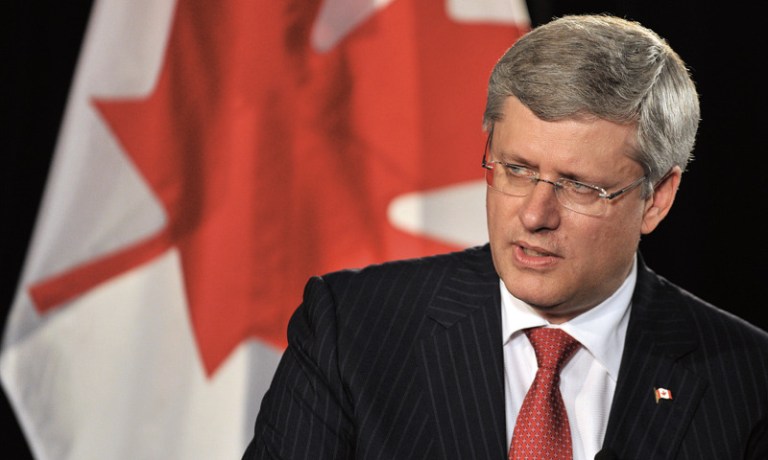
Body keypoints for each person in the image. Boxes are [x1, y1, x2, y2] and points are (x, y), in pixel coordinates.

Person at [242, 14, 768, 460]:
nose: (536, 215)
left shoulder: (748, 379)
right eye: (516, 169)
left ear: (656, 197)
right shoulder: (352, 329)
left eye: (579, 186)